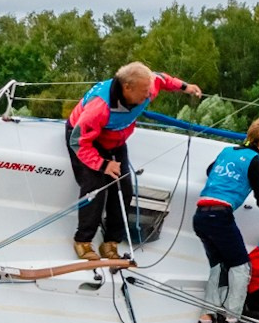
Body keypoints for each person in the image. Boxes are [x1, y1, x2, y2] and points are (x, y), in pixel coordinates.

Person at [64, 61, 202, 261]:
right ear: (127, 87)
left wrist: (185, 87)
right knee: (96, 188)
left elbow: (161, 78)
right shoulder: (98, 107)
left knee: (125, 189)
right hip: (87, 140)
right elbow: (77, 141)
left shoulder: (147, 86)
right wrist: (103, 164)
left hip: (115, 139)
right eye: (144, 91)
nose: (149, 95)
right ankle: (83, 241)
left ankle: (111, 241)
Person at [193, 118, 259, 323]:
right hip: (219, 216)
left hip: (200, 217)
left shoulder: (226, 151)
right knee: (242, 267)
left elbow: (210, 170)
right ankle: (233, 320)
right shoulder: (255, 162)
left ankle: (205, 321)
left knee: (219, 267)